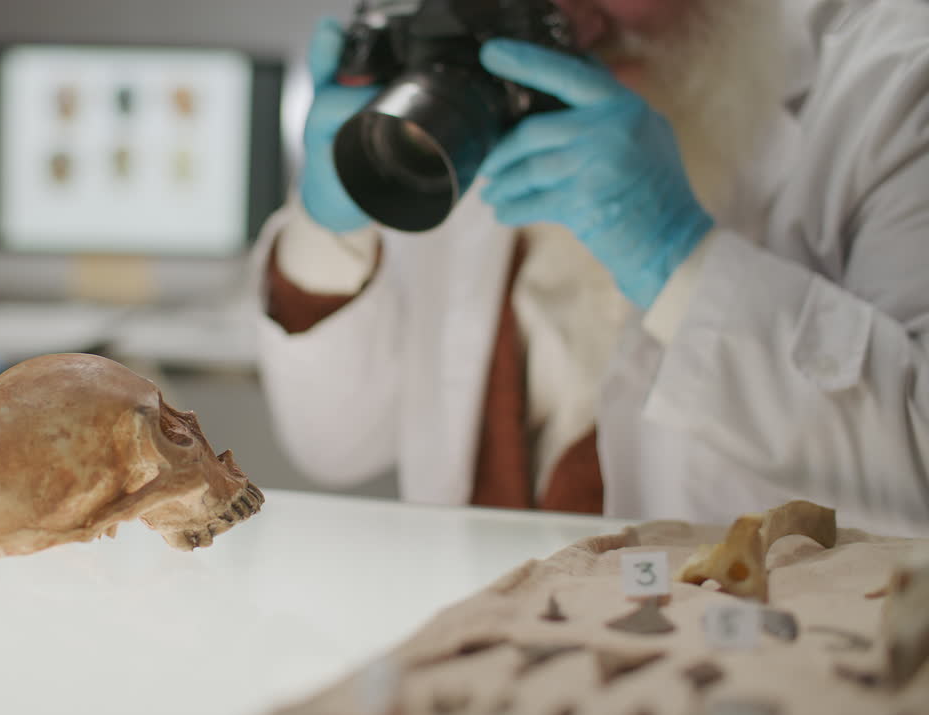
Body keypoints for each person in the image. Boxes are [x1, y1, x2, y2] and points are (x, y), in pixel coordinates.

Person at [254, 0, 929, 536]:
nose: (566, 19)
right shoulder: (473, 79)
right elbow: (334, 447)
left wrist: (682, 262)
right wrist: (328, 233)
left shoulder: (895, 85)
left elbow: (916, 482)